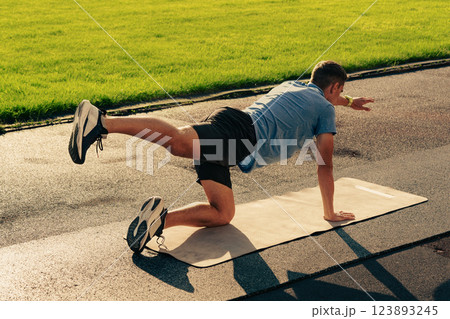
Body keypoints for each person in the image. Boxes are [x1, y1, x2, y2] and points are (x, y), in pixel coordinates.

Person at [68, 60, 374, 253]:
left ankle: (158, 221)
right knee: (177, 143)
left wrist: (349, 100)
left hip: (234, 137)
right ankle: (102, 122)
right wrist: (329, 211)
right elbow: (325, 163)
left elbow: (325, 93)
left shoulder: (296, 85)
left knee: (222, 213)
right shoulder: (325, 109)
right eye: (341, 91)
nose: (340, 96)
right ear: (333, 87)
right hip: (239, 134)